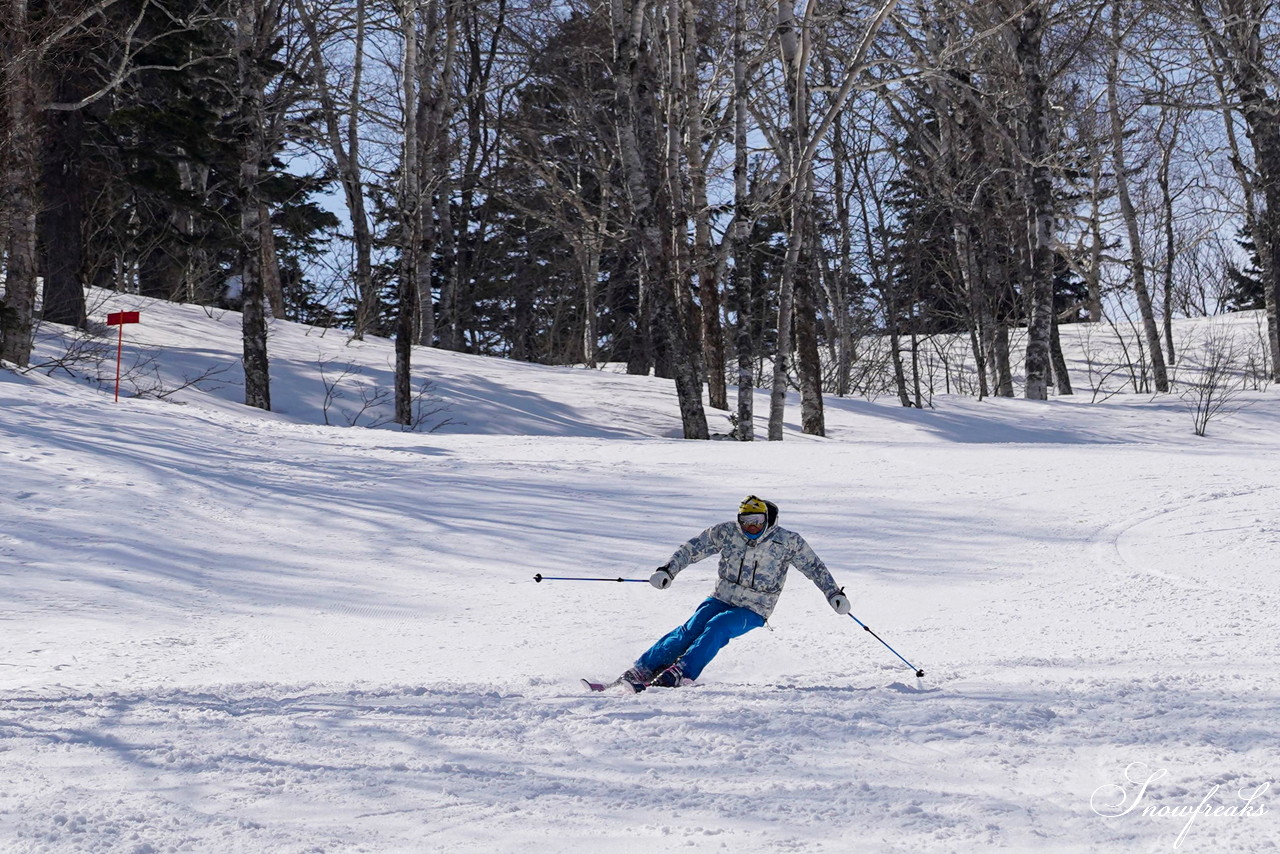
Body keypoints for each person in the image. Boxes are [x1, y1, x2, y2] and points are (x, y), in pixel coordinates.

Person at [615, 495, 850, 692]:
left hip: (755, 608)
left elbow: (814, 567)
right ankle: (643, 668)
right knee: (690, 630)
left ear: (767, 520)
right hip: (721, 597)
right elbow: (692, 549)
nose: (752, 528)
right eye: (746, 522)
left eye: (757, 521)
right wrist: (668, 570)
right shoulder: (728, 533)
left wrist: (833, 594)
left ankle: (680, 673)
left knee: (719, 626)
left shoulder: (788, 541)